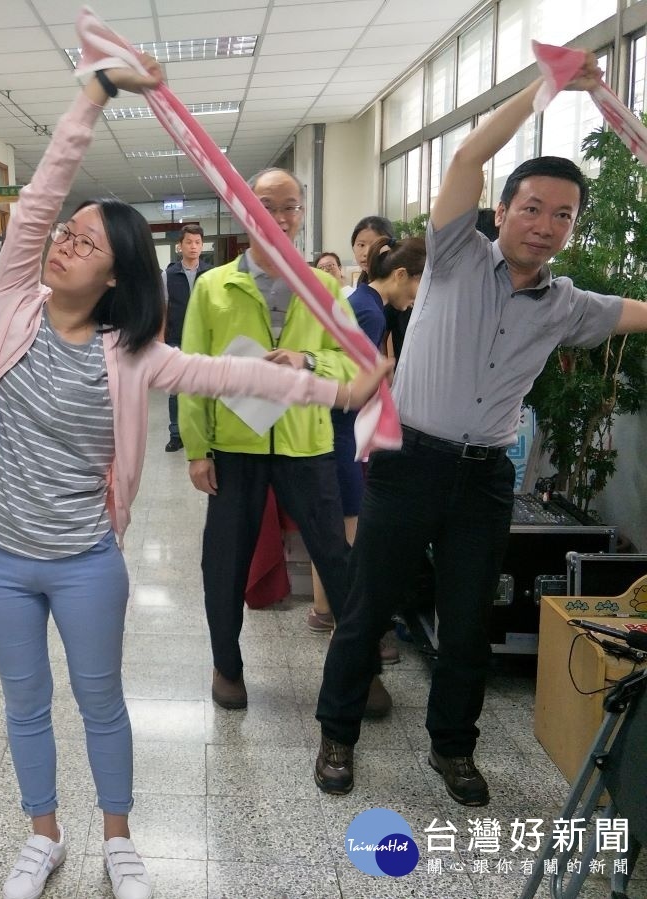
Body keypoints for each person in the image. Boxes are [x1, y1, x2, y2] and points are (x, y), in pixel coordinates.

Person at [0, 60, 390, 899]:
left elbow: (237, 376)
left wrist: (333, 389)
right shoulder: (13, 301)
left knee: (101, 703)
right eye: (65, 232)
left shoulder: (134, 355)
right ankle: (42, 835)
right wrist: (92, 94)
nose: (63, 241)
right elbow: (44, 187)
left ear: (116, 274)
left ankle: (119, 839)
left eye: (85, 240)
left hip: (85, 558)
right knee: (24, 705)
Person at [314, 50, 647, 807]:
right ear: (503, 212)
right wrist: (546, 88)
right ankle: (337, 733)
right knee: (369, 609)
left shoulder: (569, 305)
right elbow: (466, 154)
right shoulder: (456, 255)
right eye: (532, 208)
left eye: (563, 215)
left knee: (467, 621)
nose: (547, 225)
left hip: (485, 477)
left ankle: (453, 750)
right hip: (409, 461)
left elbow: (639, 314)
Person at [179, 168, 393, 718]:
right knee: (223, 563)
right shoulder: (213, 286)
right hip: (236, 445)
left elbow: (357, 359)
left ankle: (360, 667)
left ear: (302, 214)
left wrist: (308, 359)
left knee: (336, 559)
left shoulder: (323, 290)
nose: (279, 217)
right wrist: (199, 448)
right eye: (266, 205)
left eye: (291, 206)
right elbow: (191, 371)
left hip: (306, 443)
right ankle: (227, 666)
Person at [306, 237, 426, 636]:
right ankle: (345, 617)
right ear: (400, 274)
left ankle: (324, 609)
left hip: (337, 425)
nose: (416, 298)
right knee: (349, 526)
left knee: (334, 523)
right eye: (417, 287)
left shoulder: (362, 302)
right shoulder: (370, 313)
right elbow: (354, 377)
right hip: (343, 428)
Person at [162, 223, 213, 452]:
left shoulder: (211, 274)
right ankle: (176, 434)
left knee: (204, 387)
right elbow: (163, 309)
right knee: (176, 391)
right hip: (176, 338)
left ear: (202, 246)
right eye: (189, 242)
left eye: (197, 242)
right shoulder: (168, 274)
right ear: (180, 246)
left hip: (205, 340)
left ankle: (205, 432)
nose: (193, 247)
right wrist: (160, 340)